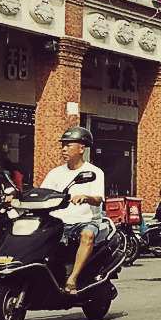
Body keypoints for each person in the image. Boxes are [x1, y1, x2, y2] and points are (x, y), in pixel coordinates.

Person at [41, 125, 108, 294]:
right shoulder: (55, 173)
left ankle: (73, 279)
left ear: (81, 149)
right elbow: (43, 193)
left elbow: (98, 199)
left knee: (88, 235)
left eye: (68, 145)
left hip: (84, 221)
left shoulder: (94, 172)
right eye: (63, 145)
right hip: (59, 222)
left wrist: (85, 197)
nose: (64, 149)